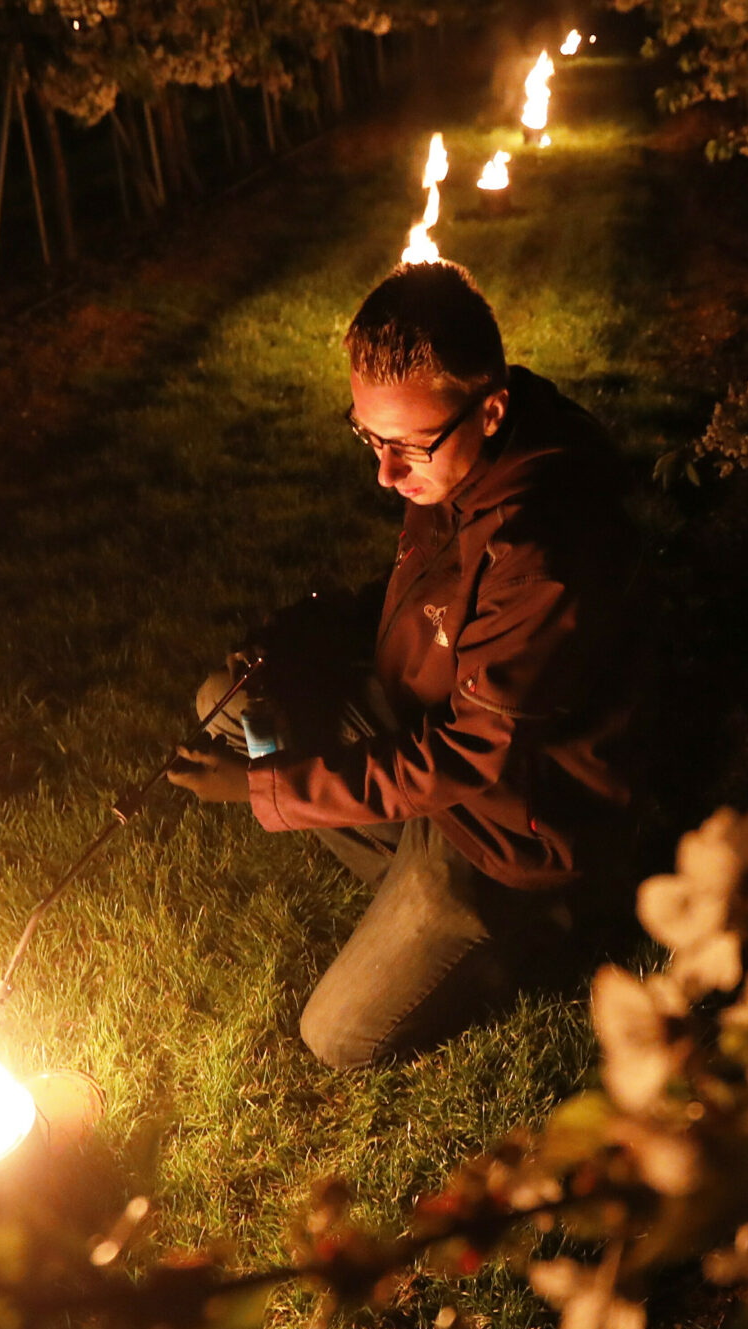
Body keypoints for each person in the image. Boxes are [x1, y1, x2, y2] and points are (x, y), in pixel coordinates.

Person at [165, 261, 638, 1069]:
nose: (385, 472)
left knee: (336, 1035)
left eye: (406, 447)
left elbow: (466, 756)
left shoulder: (544, 550)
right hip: (424, 730)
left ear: (489, 409)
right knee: (230, 703)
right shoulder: (460, 459)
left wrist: (257, 787)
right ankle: (393, 868)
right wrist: (305, 635)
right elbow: (429, 600)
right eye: (368, 436)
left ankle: (526, 935)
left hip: (503, 828)